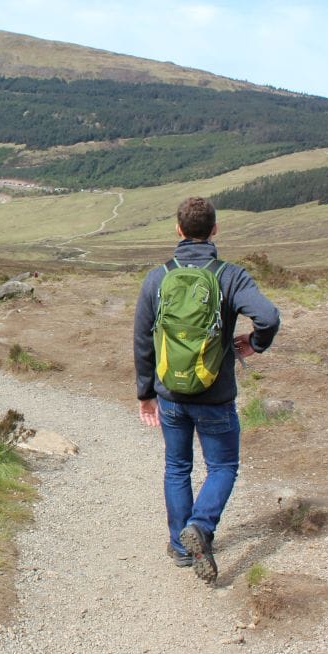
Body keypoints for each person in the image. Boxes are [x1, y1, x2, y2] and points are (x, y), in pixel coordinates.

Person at [133, 196, 280, 583]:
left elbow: (143, 340)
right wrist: (255, 343)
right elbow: (268, 316)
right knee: (224, 466)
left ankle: (182, 547)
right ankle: (200, 525)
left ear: (178, 230)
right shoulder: (230, 276)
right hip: (215, 395)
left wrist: (145, 393)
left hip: (171, 396)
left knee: (177, 467)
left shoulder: (158, 277)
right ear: (214, 230)